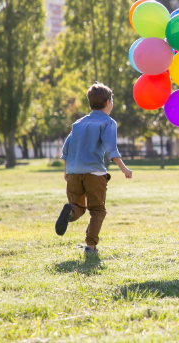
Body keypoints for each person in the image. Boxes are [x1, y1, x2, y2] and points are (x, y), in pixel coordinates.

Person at [54, 83, 133, 255]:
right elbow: (112, 150)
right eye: (112, 101)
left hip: (74, 172)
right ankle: (90, 246)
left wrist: (67, 171)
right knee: (97, 210)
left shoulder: (78, 123)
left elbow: (66, 149)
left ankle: (70, 212)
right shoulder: (108, 122)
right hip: (94, 173)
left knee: (77, 207)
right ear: (107, 102)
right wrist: (124, 169)